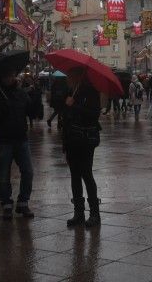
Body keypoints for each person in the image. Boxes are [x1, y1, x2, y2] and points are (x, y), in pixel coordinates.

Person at [0, 66, 35, 220]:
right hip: (3, 140)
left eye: (12, 75)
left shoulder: (20, 93)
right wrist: (1, 110)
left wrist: (35, 98)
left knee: (28, 171)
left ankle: (23, 202)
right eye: (7, 75)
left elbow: (32, 112)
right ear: (1, 77)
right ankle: (6, 203)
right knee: (3, 174)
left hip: (21, 138)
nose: (10, 78)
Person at [62, 68, 102, 228]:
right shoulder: (72, 91)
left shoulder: (91, 91)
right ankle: (78, 212)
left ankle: (94, 213)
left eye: (69, 76)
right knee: (74, 175)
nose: (67, 79)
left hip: (85, 139)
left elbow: (94, 114)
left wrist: (74, 105)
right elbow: (66, 116)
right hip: (72, 139)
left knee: (86, 174)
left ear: (78, 76)